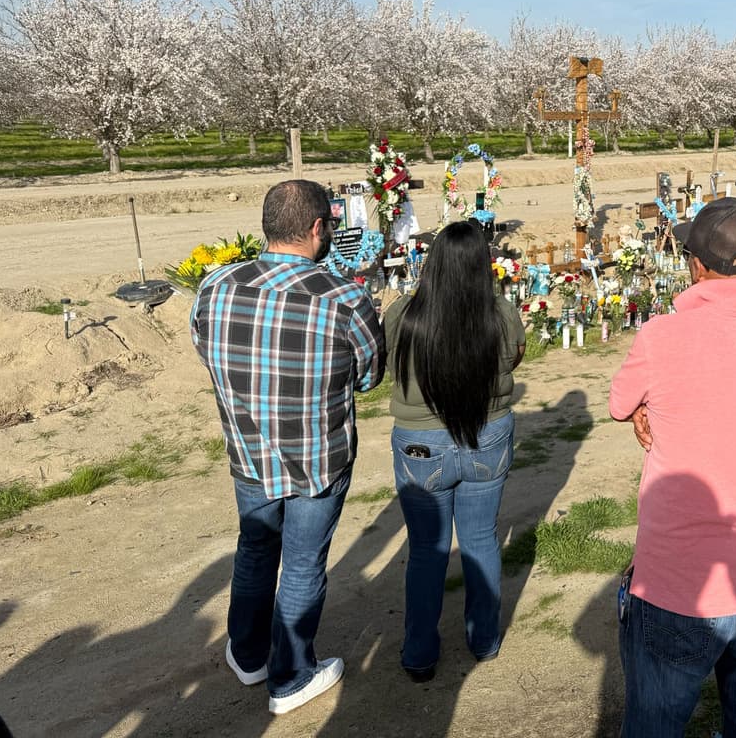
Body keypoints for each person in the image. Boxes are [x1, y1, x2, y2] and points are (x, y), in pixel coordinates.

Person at [609, 197, 736, 737]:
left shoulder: (661, 336)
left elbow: (618, 402)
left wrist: (648, 409)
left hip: (677, 579)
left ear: (696, 265)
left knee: (655, 722)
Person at [190, 179, 385, 714]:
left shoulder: (215, 286)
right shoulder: (345, 296)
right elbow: (369, 376)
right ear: (319, 227)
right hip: (318, 457)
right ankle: (291, 675)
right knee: (301, 565)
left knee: (254, 549)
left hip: (249, 452)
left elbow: (204, 348)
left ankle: (248, 653)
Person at [382, 220, 525, 681]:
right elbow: (516, 356)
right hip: (487, 436)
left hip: (420, 445)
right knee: (481, 538)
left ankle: (420, 652)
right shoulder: (501, 314)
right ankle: (483, 639)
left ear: (433, 265)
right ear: (485, 266)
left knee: (427, 548)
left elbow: (389, 363)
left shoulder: (403, 314)